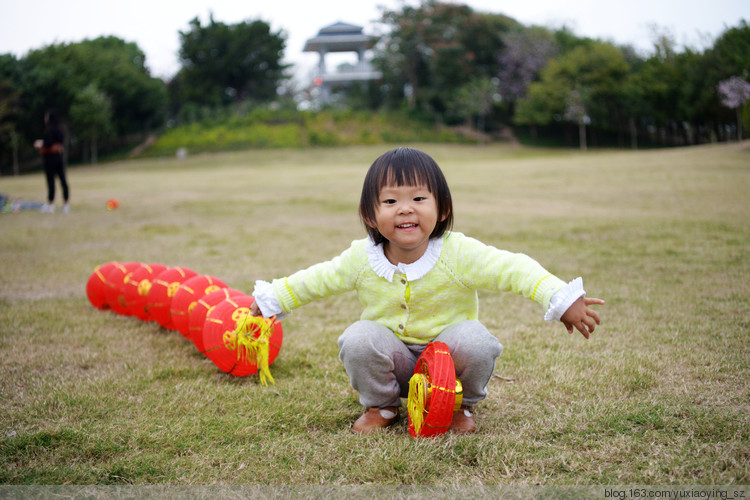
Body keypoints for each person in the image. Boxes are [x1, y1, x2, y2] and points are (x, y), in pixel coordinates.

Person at [249, 147, 604, 434]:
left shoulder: (458, 252)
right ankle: (383, 406)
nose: (405, 208)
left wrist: (561, 298)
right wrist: (272, 299)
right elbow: (316, 279)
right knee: (358, 338)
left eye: (419, 198)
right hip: (394, 361)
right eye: (390, 202)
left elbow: (513, 268)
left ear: (442, 208)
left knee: (477, 340)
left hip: (447, 359)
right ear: (370, 215)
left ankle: (457, 406)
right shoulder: (361, 258)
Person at [34, 110, 69, 214]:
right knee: (63, 180)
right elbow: (59, 145)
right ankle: (65, 204)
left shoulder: (49, 131)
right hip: (59, 158)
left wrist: (40, 144)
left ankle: (50, 204)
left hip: (50, 159)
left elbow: (48, 144)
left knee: (51, 181)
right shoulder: (61, 130)